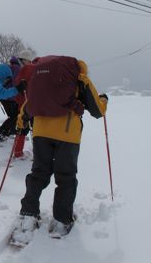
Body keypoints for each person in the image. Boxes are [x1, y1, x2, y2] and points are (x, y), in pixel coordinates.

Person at [13, 58, 108, 239]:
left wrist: (20, 124)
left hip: (40, 133)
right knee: (65, 177)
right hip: (67, 135)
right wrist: (104, 100)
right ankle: (61, 220)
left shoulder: (39, 80)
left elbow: (29, 106)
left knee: (39, 173)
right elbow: (98, 111)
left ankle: (28, 214)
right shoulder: (80, 79)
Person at [11, 49, 36, 158]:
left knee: (22, 127)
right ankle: (37, 151)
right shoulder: (31, 68)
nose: (21, 62)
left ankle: (17, 152)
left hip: (24, 104)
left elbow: (16, 83)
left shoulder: (25, 69)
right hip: (30, 104)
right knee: (32, 128)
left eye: (22, 60)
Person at [0, 56, 21, 142]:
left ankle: (10, 131)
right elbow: (17, 82)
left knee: (12, 116)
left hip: (3, 96)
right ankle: (1, 132)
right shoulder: (17, 68)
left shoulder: (9, 67)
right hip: (11, 97)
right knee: (15, 116)